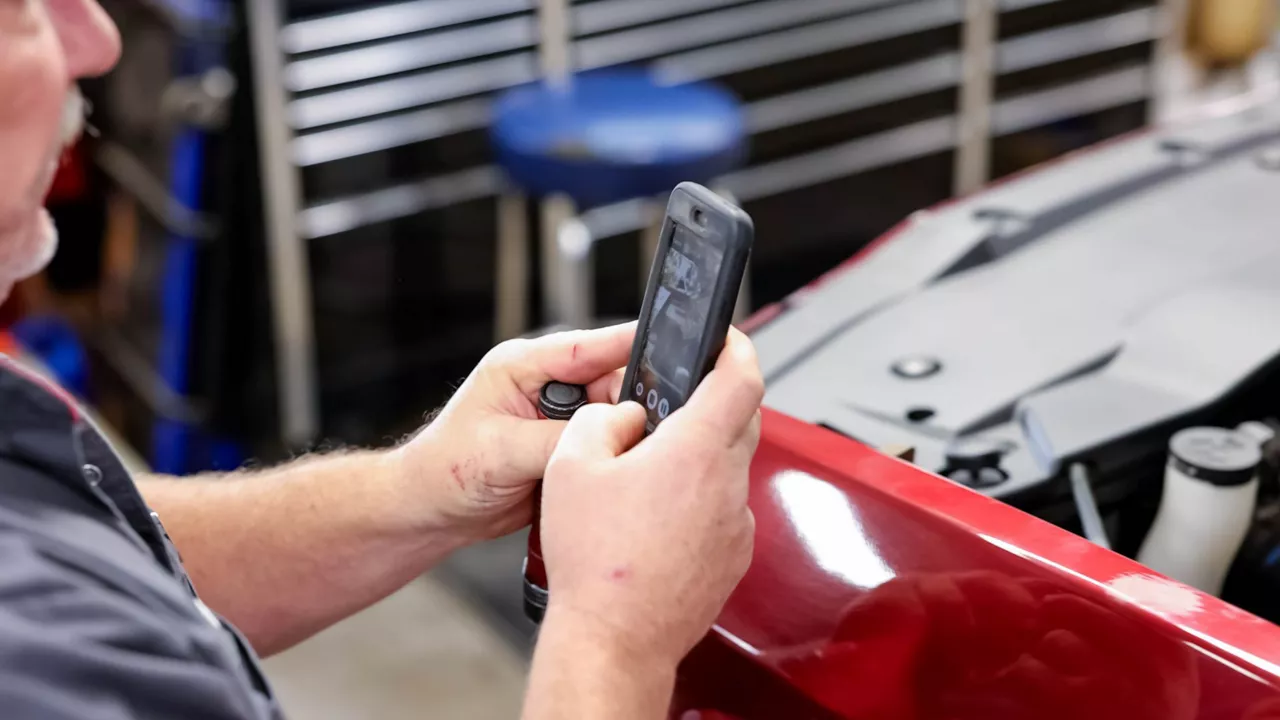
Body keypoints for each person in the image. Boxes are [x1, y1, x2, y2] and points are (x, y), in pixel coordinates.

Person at [0, 2, 764, 718]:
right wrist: (614, 632)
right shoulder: (40, 666)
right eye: (27, 9)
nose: (98, 41)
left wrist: (423, 488)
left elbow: (113, 545)